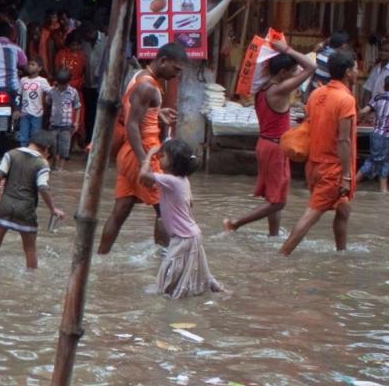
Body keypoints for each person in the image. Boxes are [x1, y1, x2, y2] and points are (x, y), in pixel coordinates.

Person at [98, 43, 188, 255]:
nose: (176, 75)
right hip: (142, 152)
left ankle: (100, 258)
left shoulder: (140, 78)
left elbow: (133, 115)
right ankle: (163, 262)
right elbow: (131, 124)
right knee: (166, 210)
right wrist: (145, 162)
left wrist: (156, 113)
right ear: (163, 60)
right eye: (175, 70)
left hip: (131, 153)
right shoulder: (148, 86)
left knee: (120, 211)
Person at [225, 39, 316, 236]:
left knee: (273, 195)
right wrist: (288, 49)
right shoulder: (279, 90)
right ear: (283, 73)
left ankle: (273, 235)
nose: (294, 74)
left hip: (265, 144)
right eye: (292, 71)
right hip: (275, 148)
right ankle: (236, 223)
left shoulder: (262, 88)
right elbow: (311, 67)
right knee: (278, 201)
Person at [280, 51, 360, 256]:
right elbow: (343, 140)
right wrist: (346, 174)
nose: (358, 72)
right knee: (311, 215)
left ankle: (341, 255)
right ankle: (282, 254)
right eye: (356, 68)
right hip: (332, 169)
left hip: (314, 165)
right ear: (348, 72)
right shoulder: (346, 100)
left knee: (343, 210)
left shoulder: (317, 94)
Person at [0, 133, 63, 270]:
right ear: (46, 148)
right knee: (30, 249)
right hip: (26, 210)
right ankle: (31, 281)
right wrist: (53, 209)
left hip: (5, 207)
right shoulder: (42, 164)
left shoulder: (10, 154)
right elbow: (43, 187)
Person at [144, 139, 224, 298]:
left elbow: (143, 174)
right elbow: (190, 203)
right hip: (191, 234)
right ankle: (215, 287)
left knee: (168, 269)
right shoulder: (182, 181)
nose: (159, 158)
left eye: (163, 156)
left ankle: (169, 296)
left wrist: (149, 155)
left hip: (183, 236)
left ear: (174, 162)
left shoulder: (170, 180)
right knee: (198, 266)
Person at [357, 75, 389, 194]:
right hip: (385, 135)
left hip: (375, 133)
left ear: (384, 86)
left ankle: (383, 190)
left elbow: (364, 111)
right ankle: (352, 183)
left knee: (384, 162)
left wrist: (356, 112)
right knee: (373, 161)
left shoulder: (378, 97)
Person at [45, 67, 82, 168]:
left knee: (64, 149)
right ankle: (54, 166)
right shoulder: (52, 91)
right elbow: (47, 103)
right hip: (53, 124)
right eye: (60, 84)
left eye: (63, 84)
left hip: (66, 126)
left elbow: (78, 107)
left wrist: (76, 122)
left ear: (68, 82)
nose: (61, 86)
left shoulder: (73, 92)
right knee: (53, 147)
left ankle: (60, 169)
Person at [17, 61, 49, 146]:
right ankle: (23, 156)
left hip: (37, 114)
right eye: (29, 64)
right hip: (24, 113)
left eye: (33, 65)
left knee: (35, 138)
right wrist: (17, 109)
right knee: (23, 138)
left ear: (39, 68)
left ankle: (33, 156)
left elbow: (50, 93)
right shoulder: (23, 80)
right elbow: (19, 95)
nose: (29, 66)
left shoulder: (42, 80)